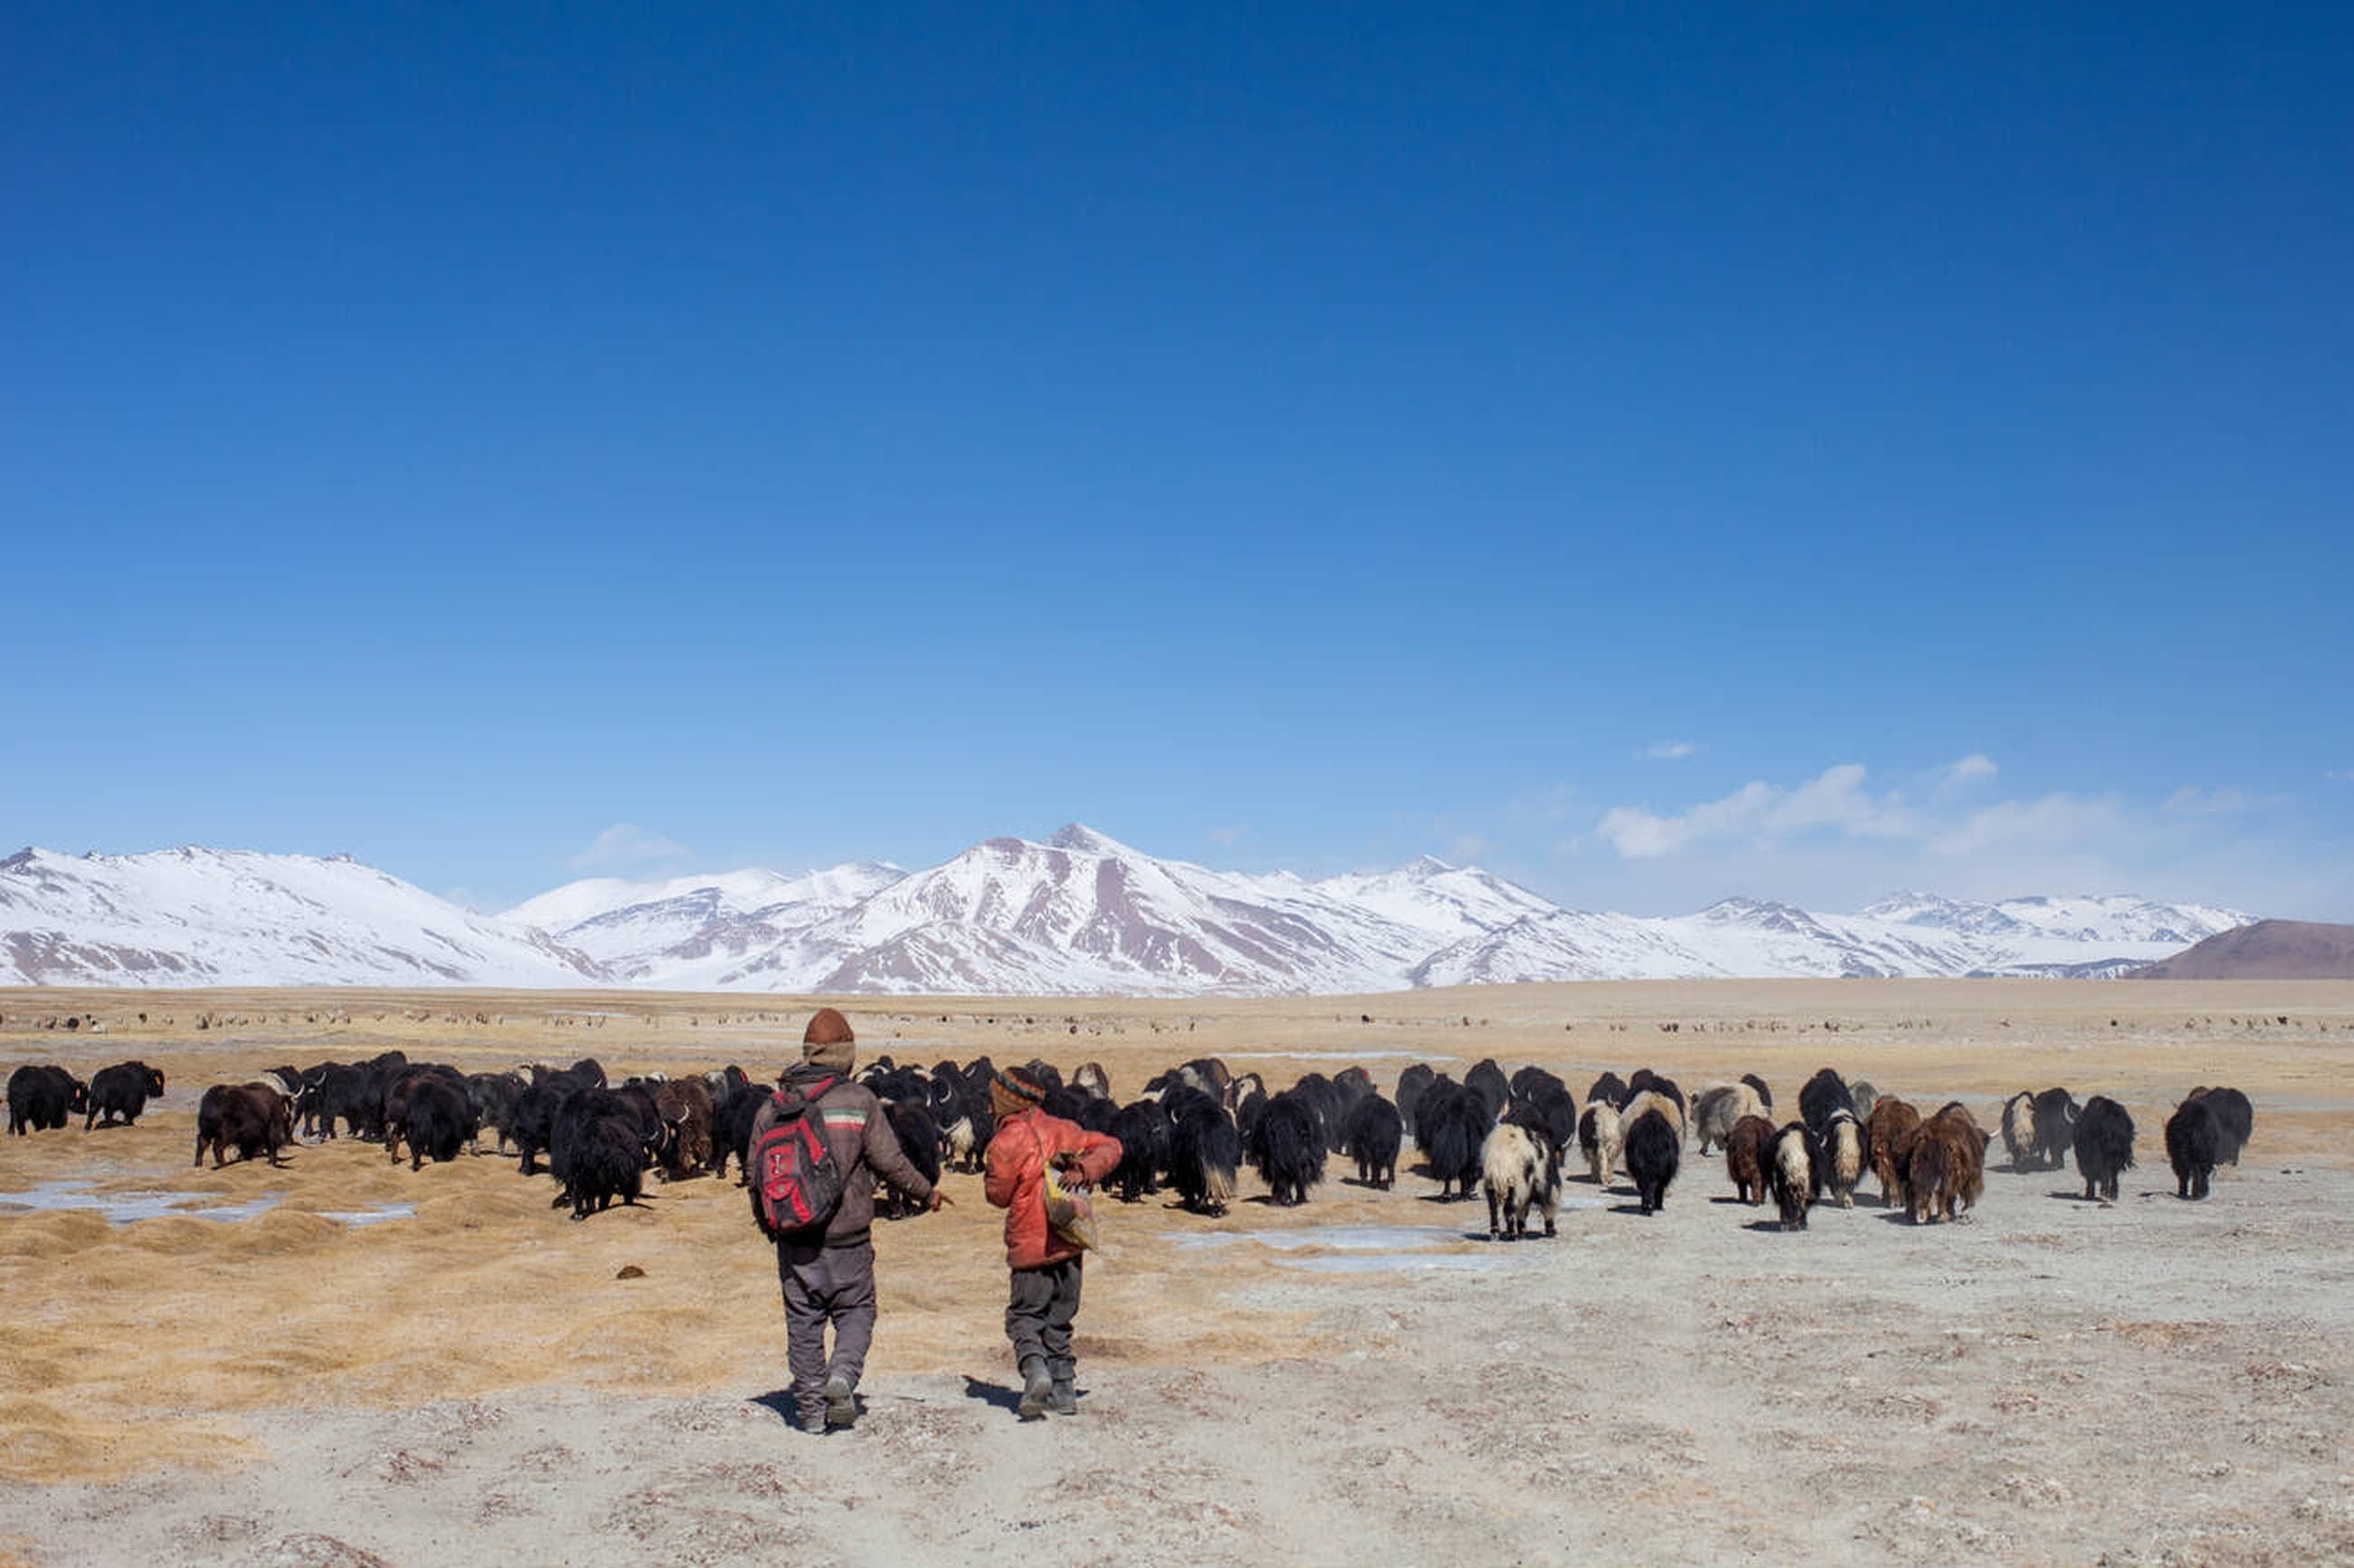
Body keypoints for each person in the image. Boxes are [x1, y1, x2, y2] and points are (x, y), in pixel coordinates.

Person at [751, 1008, 947, 1435]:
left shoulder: (773, 1107)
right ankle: (841, 1376)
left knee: (803, 1325)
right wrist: (925, 1192)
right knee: (857, 1310)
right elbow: (891, 1163)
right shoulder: (859, 1102)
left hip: (795, 1238)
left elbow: (755, 1176)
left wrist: (773, 1229)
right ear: (846, 1055)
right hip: (850, 1239)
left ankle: (810, 1416)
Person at [982, 1067, 1121, 1419]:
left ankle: (1036, 1372)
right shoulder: (1065, 1130)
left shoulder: (1004, 1143)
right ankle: (1064, 1391)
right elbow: (1112, 1145)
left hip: (1031, 1246)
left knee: (1024, 1317)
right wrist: (1086, 1170)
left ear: (1004, 1102)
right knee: (1060, 1319)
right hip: (1070, 1238)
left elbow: (998, 1196)